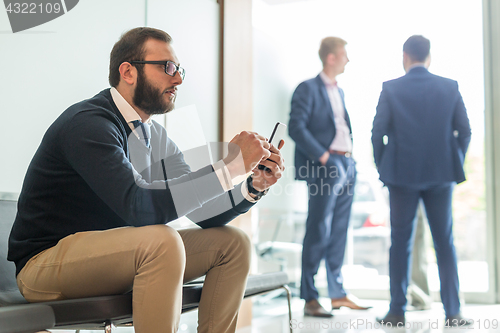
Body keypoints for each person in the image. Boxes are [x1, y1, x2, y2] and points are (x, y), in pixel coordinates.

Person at [7, 27, 285, 333]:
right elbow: (137, 205)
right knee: (161, 241)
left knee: (234, 244)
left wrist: (252, 186)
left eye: (179, 69)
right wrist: (229, 167)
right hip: (44, 266)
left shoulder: (155, 136)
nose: (177, 79)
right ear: (127, 71)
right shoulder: (89, 124)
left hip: (119, 257)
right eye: (167, 67)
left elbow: (202, 212)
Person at [372, 35, 472, 327]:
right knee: (445, 242)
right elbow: (464, 131)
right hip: (441, 176)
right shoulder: (449, 86)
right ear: (429, 57)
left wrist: (384, 170)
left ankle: (396, 312)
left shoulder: (391, 88)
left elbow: (378, 134)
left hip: (401, 177)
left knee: (400, 243)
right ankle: (453, 313)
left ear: (405, 56)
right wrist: (452, 161)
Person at [289, 36, 369, 318]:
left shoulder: (340, 91)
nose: (348, 59)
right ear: (331, 57)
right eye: (344, 54)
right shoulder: (308, 88)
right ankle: (310, 297)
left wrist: (347, 161)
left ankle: (337, 294)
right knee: (318, 229)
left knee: (338, 230)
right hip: (326, 165)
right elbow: (295, 127)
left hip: (347, 165)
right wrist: (325, 158)